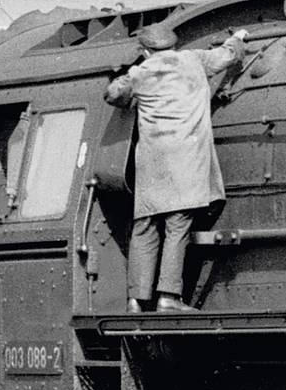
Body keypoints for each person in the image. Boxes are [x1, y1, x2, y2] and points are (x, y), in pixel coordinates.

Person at [104, 21, 246, 311]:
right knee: (177, 227)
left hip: (152, 165)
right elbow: (228, 55)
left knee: (144, 228)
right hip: (186, 162)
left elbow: (112, 94)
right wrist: (239, 38)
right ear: (173, 45)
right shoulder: (195, 59)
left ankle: (136, 299)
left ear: (145, 51)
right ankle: (168, 297)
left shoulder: (140, 73)